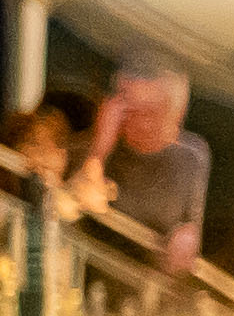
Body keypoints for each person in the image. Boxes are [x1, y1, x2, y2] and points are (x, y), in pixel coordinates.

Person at [76, 58, 209, 271]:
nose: (141, 123)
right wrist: (99, 150)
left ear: (177, 114)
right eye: (132, 111)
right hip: (84, 271)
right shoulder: (96, 144)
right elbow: (73, 198)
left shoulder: (192, 156)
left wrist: (186, 236)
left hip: (142, 285)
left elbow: (191, 229)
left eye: (152, 112)